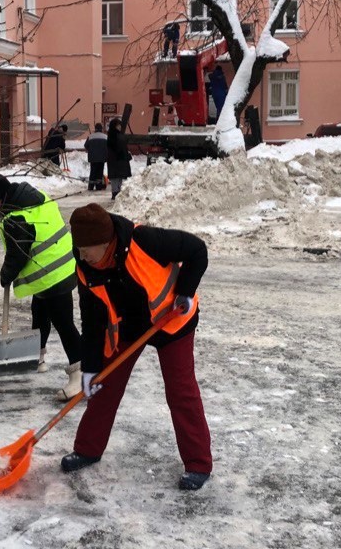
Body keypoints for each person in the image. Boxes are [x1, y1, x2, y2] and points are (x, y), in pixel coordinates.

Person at [60, 202, 213, 491]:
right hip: (129, 328)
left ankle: (198, 463)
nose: (81, 256)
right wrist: (91, 369)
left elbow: (197, 250)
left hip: (172, 320)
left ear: (105, 243)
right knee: (105, 386)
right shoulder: (85, 268)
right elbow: (92, 322)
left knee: (181, 391)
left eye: (87, 250)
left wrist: (186, 291)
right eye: (78, 249)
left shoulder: (145, 241)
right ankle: (87, 449)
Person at [0, 172, 83, 399]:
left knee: (64, 323)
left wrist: (5, 275)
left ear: (2, 197)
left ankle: (80, 373)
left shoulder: (15, 217)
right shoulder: (35, 199)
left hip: (52, 275)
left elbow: (17, 255)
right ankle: (38, 355)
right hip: (63, 266)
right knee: (39, 310)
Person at [105, 118, 131, 200]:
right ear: (115, 126)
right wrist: (123, 153)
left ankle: (117, 192)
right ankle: (115, 192)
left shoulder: (116, 135)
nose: (120, 127)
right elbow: (117, 147)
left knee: (118, 176)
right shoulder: (113, 135)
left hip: (118, 159)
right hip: (117, 159)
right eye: (119, 125)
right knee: (115, 177)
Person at [84, 123, 108, 191]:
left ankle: (90, 186)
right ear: (101, 129)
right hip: (102, 158)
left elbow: (86, 146)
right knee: (100, 172)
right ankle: (98, 186)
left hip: (93, 158)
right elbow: (108, 147)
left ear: (95, 128)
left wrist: (90, 150)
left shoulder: (91, 136)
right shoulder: (105, 137)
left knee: (93, 172)